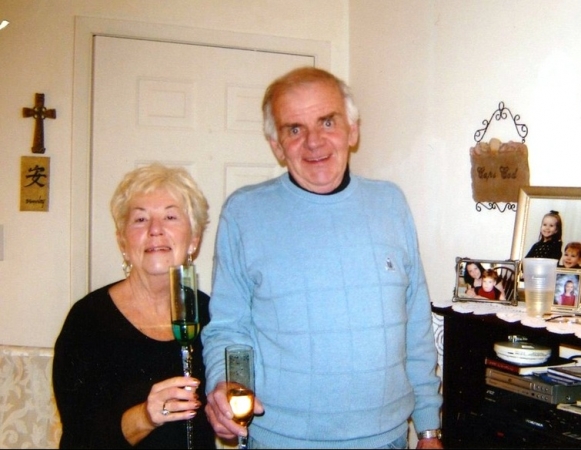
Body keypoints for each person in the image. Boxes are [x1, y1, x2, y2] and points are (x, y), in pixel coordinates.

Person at [201, 67, 443, 449]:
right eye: (294, 129)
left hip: (387, 439)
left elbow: (416, 324)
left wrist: (429, 429)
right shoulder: (244, 213)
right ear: (276, 146)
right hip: (280, 441)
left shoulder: (391, 204)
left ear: (352, 130)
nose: (314, 142)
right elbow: (229, 329)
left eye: (327, 122)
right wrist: (224, 384)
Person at [52, 163, 216, 449]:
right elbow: (78, 438)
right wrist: (145, 417)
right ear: (122, 241)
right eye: (140, 219)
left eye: (170, 217)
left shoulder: (213, 314)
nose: (155, 230)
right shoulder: (88, 320)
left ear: (194, 240)